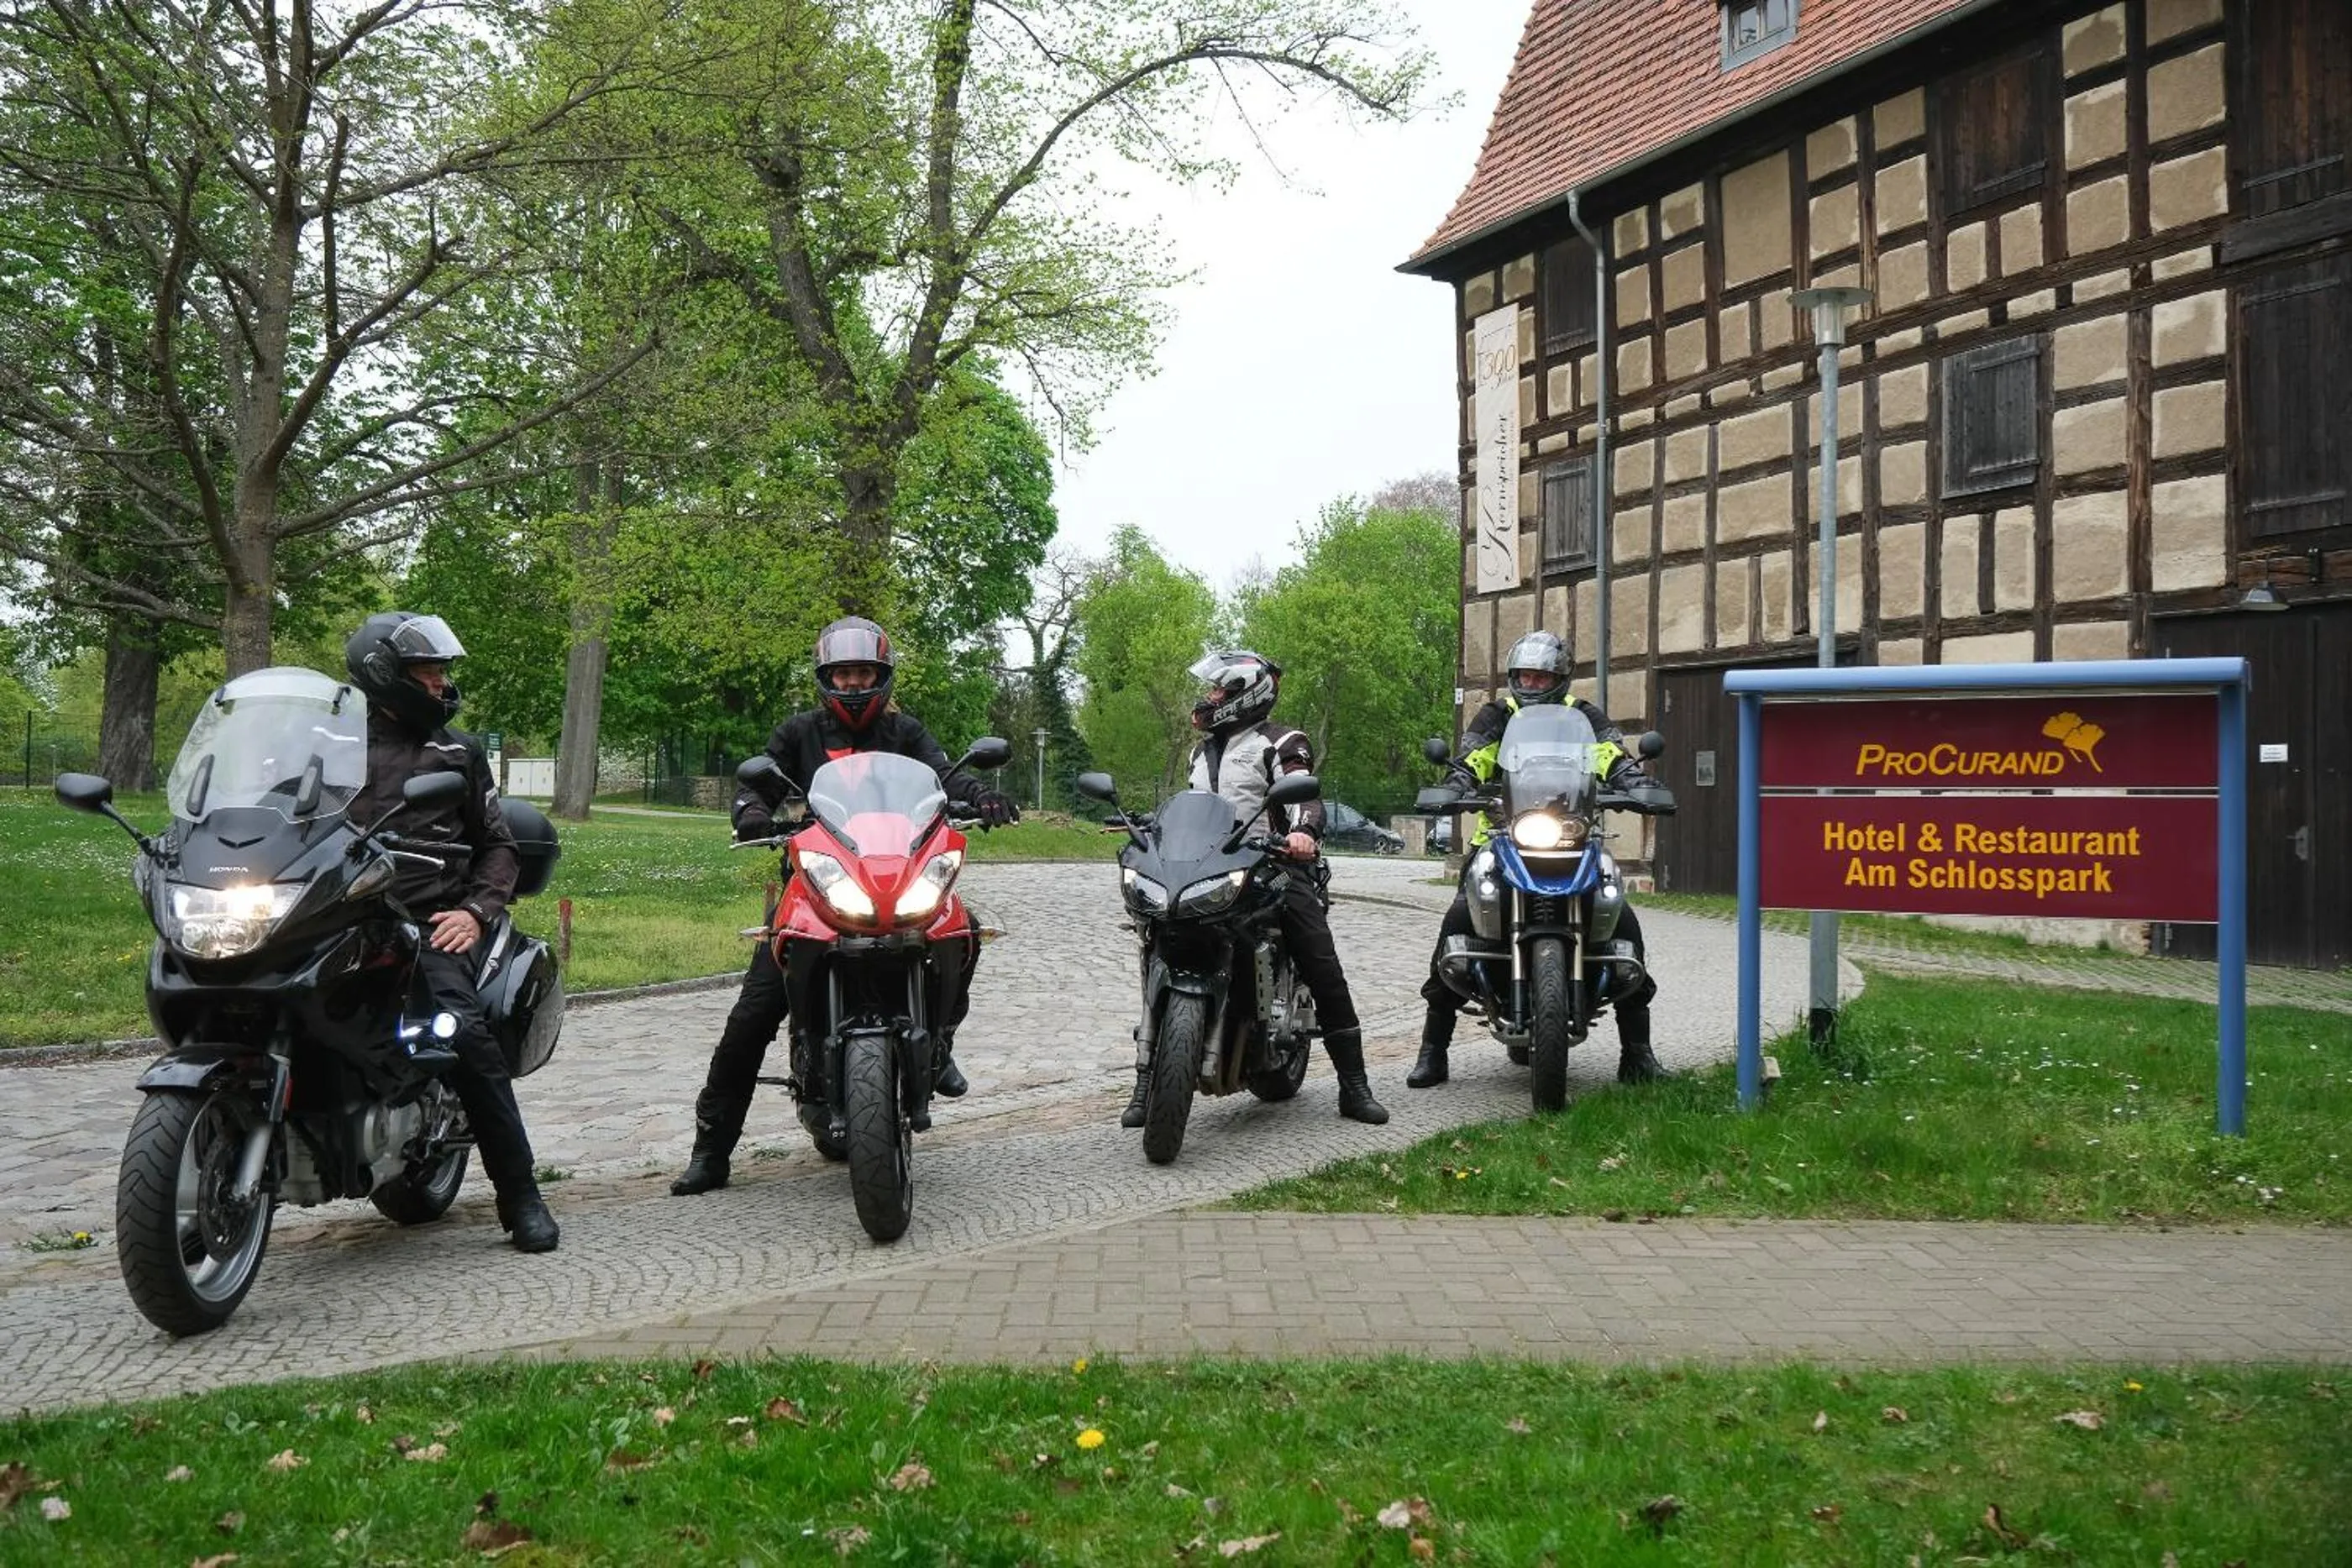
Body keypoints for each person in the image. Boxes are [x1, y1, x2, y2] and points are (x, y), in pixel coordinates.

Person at [670, 616, 1019, 1196]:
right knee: (751, 1018)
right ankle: (710, 1150)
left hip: (897, 880)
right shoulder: (798, 734)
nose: (854, 684)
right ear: (825, 678)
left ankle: (942, 1041)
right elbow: (757, 781)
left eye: (864, 673)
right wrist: (751, 810)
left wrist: (980, 796)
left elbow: (944, 777)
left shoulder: (905, 733)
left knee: (966, 931)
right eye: (844, 673)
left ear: (882, 677)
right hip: (815, 891)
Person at [343, 611, 560, 1253]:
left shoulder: (458, 752)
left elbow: (497, 846)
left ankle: (521, 1196)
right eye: (428, 672)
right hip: (334, 913)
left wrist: (475, 911)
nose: (441, 683)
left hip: (423, 926)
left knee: (465, 1036)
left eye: (440, 672)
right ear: (387, 676)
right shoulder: (329, 746)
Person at [1119, 649, 1389, 1130]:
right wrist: (1152, 826)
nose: (1209, 699)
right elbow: (1193, 807)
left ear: (1246, 695)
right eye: (1211, 691)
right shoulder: (1199, 752)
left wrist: (1303, 833)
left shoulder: (1283, 740)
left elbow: (1304, 794)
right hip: (1208, 867)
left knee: (1318, 958)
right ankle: (1147, 1082)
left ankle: (1355, 1085)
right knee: (1157, 937)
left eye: (1219, 692)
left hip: (1276, 865)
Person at [1410, 629, 1670, 1091]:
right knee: (1455, 925)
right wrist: (1455, 785)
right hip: (1502, 838)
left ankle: (1638, 1053)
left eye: (1540, 675)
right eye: (1523, 676)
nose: (1530, 684)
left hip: (1573, 838)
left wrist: (1634, 781)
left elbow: (1611, 754)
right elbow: (1474, 757)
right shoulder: (1497, 715)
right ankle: (1434, 1051)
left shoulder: (1583, 717)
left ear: (1561, 677)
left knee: (1624, 925)